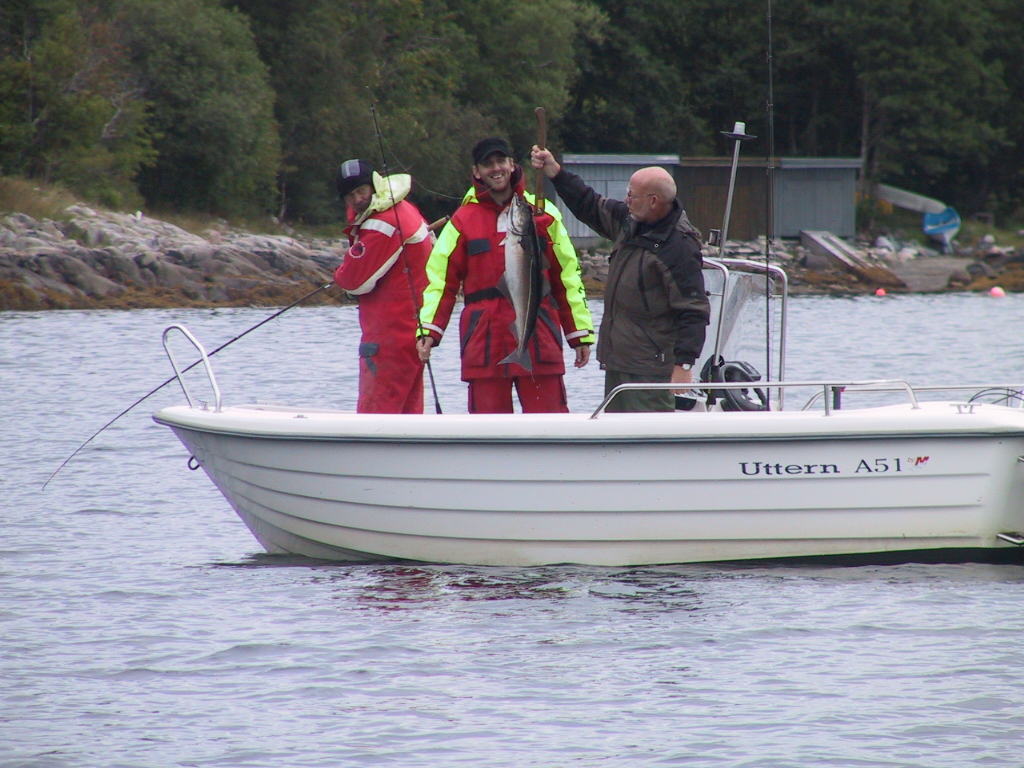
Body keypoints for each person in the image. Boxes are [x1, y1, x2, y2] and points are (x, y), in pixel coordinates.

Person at [415, 137, 594, 413]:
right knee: (487, 431)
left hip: (539, 339)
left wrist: (579, 333)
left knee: (550, 426)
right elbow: (440, 281)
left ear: (512, 164)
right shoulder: (462, 220)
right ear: (476, 171)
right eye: (487, 164)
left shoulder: (543, 212)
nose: (496, 168)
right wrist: (429, 329)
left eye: (501, 161)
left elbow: (567, 277)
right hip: (484, 345)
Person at [531, 146, 710, 412]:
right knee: (616, 433)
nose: (626, 199)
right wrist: (555, 172)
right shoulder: (630, 220)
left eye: (631, 195)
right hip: (620, 363)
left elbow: (694, 310)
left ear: (653, 201)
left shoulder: (679, 247)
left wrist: (684, 365)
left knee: (648, 437)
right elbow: (589, 204)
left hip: (650, 369)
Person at [334, 159, 432, 413]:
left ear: (374, 185)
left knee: (376, 416)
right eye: (350, 195)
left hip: (388, 339)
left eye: (361, 190)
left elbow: (352, 281)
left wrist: (341, 273)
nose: (357, 199)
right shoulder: (404, 208)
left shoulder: (382, 223)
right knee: (408, 416)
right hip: (413, 335)